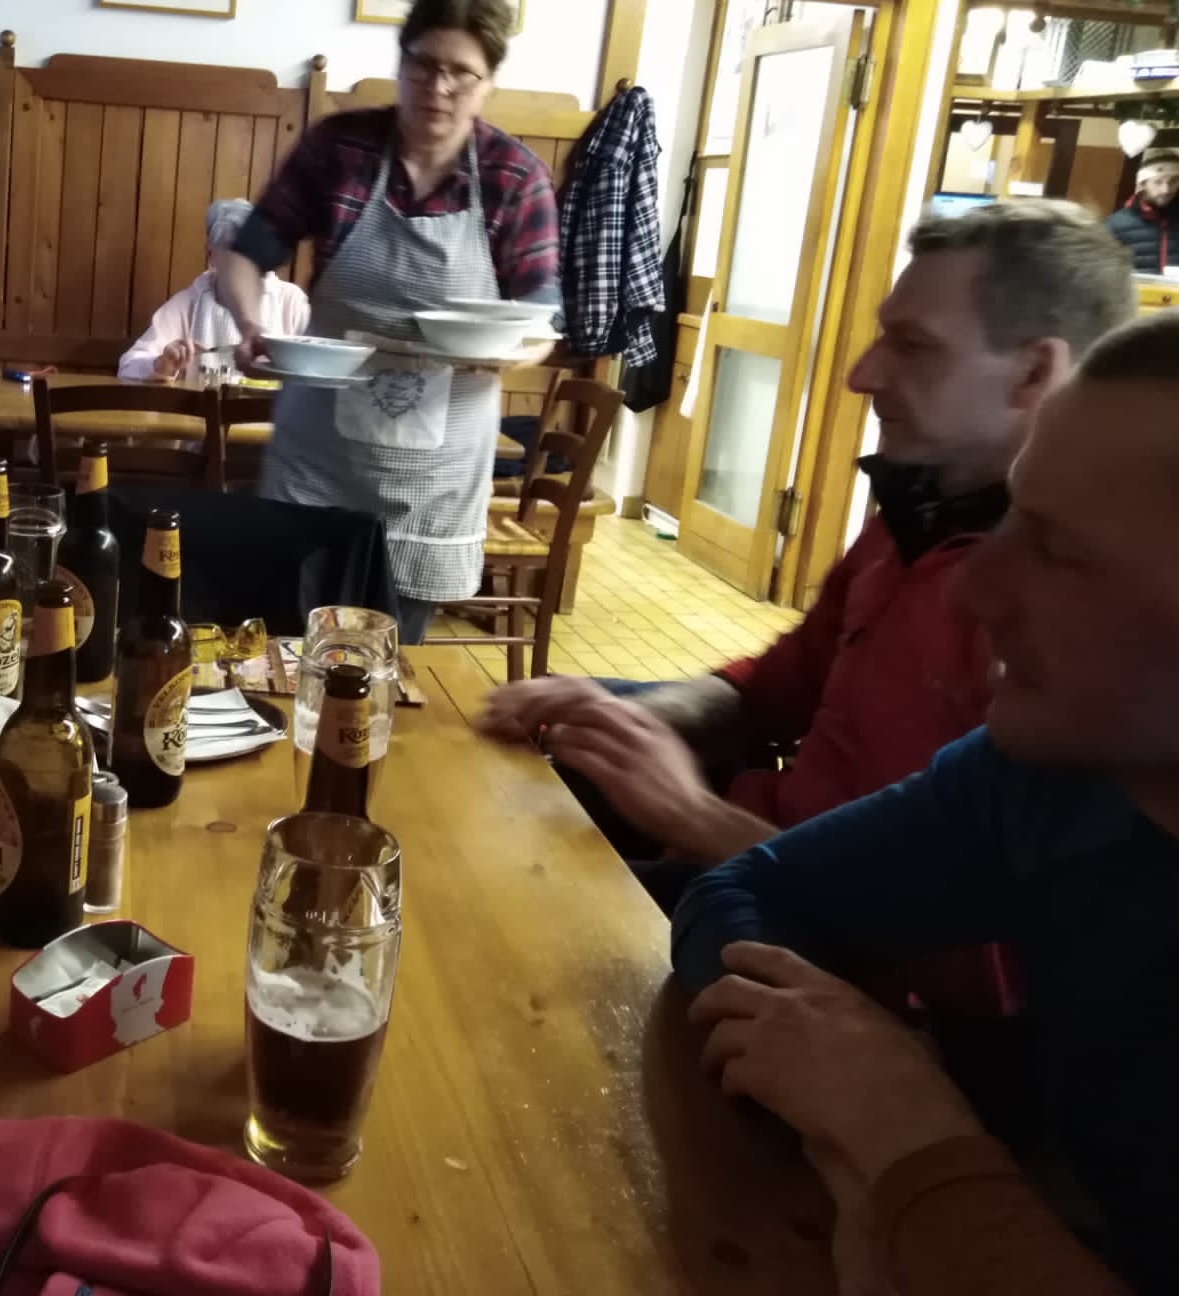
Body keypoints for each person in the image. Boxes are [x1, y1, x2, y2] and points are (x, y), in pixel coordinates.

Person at [672, 311, 1179, 1296]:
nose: (969, 594)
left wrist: (913, 1146)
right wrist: (865, 1122)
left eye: (1057, 552)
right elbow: (745, 892)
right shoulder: (1050, 773)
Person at [478, 202, 1134, 957]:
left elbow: (958, 958)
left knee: (502, 918)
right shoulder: (912, 513)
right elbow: (776, 686)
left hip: (817, 933)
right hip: (758, 850)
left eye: (913, 345)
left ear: (1035, 372)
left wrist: (696, 819)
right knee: (504, 773)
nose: (862, 374)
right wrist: (645, 719)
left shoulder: (1069, 625)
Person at [215, 0, 560, 643]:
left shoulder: (513, 177)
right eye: (423, 65)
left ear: (489, 81)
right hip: (317, 460)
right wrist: (250, 323)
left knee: (387, 668)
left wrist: (504, 354)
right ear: (401, 62)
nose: (438, 87)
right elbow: (246, 252)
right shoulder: (340, 148)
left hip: (434, 480)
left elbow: (540, 320)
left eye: (461, 73)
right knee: (282, 654)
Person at [117, 199, 309, 381]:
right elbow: (128, 366)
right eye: (229, 257)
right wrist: (162, 364)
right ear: (211, 256)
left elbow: (317, 363)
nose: (239, 269)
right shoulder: (189, 303)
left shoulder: (291, 301)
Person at [1104, 143, 1176, 276]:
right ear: (1143, 183)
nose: (1166, 190)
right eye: (1158, 182)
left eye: (1173, 181)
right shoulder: (1114, 225)